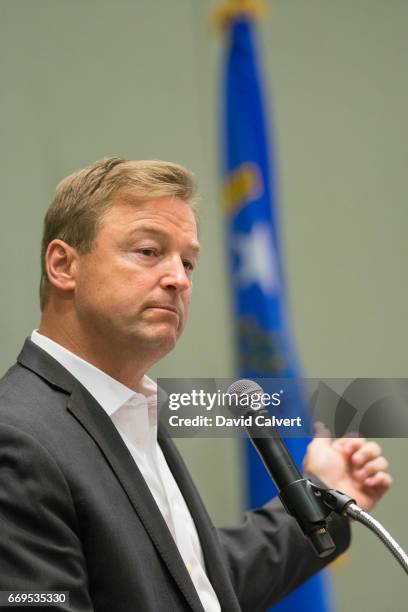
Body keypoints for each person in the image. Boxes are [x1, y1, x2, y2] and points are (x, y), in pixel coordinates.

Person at [0, 157, 391, 612]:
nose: (178, 278)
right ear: (63, 265)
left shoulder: (129, 412)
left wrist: (322, 494)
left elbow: (192, 588)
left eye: (188, 261)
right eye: (149, 251)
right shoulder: (18, 439)